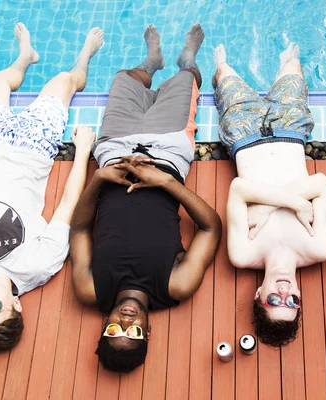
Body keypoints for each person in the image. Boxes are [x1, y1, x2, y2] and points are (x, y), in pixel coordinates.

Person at [70, 24, 221, 373]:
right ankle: (188, 59)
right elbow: (211, 229)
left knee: (125, 78)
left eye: (113, 330)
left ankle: (152, 62)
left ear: (103, 327)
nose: (125, 321)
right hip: (167, 149)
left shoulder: (91, 289)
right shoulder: (175, 286)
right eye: (133, 333)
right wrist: (165, 182)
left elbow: (78, 231)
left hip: (113, 151)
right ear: (148, 333)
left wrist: (98, 179)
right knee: (186, 80)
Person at [0, 23, 102, 351]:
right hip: (32, 148)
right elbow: (68, 206)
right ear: (16, 305)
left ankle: (24, 59)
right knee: (64, 82)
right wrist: (82, 152)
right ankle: (84, 57)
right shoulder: (37, 266)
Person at [212, 40, 326, 347]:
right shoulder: (318, 248)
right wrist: (277, 202)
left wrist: (286, 205)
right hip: (291, 128)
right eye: (291, 303)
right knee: (293, 62)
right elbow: (320, 183)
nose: (283, 294)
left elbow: (238, 188)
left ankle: (220, 70)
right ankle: (284, 59)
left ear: (258, 296)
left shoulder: (244, 254)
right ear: (300, 298)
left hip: (243, 132)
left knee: (223, 68)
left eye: (273, 302)